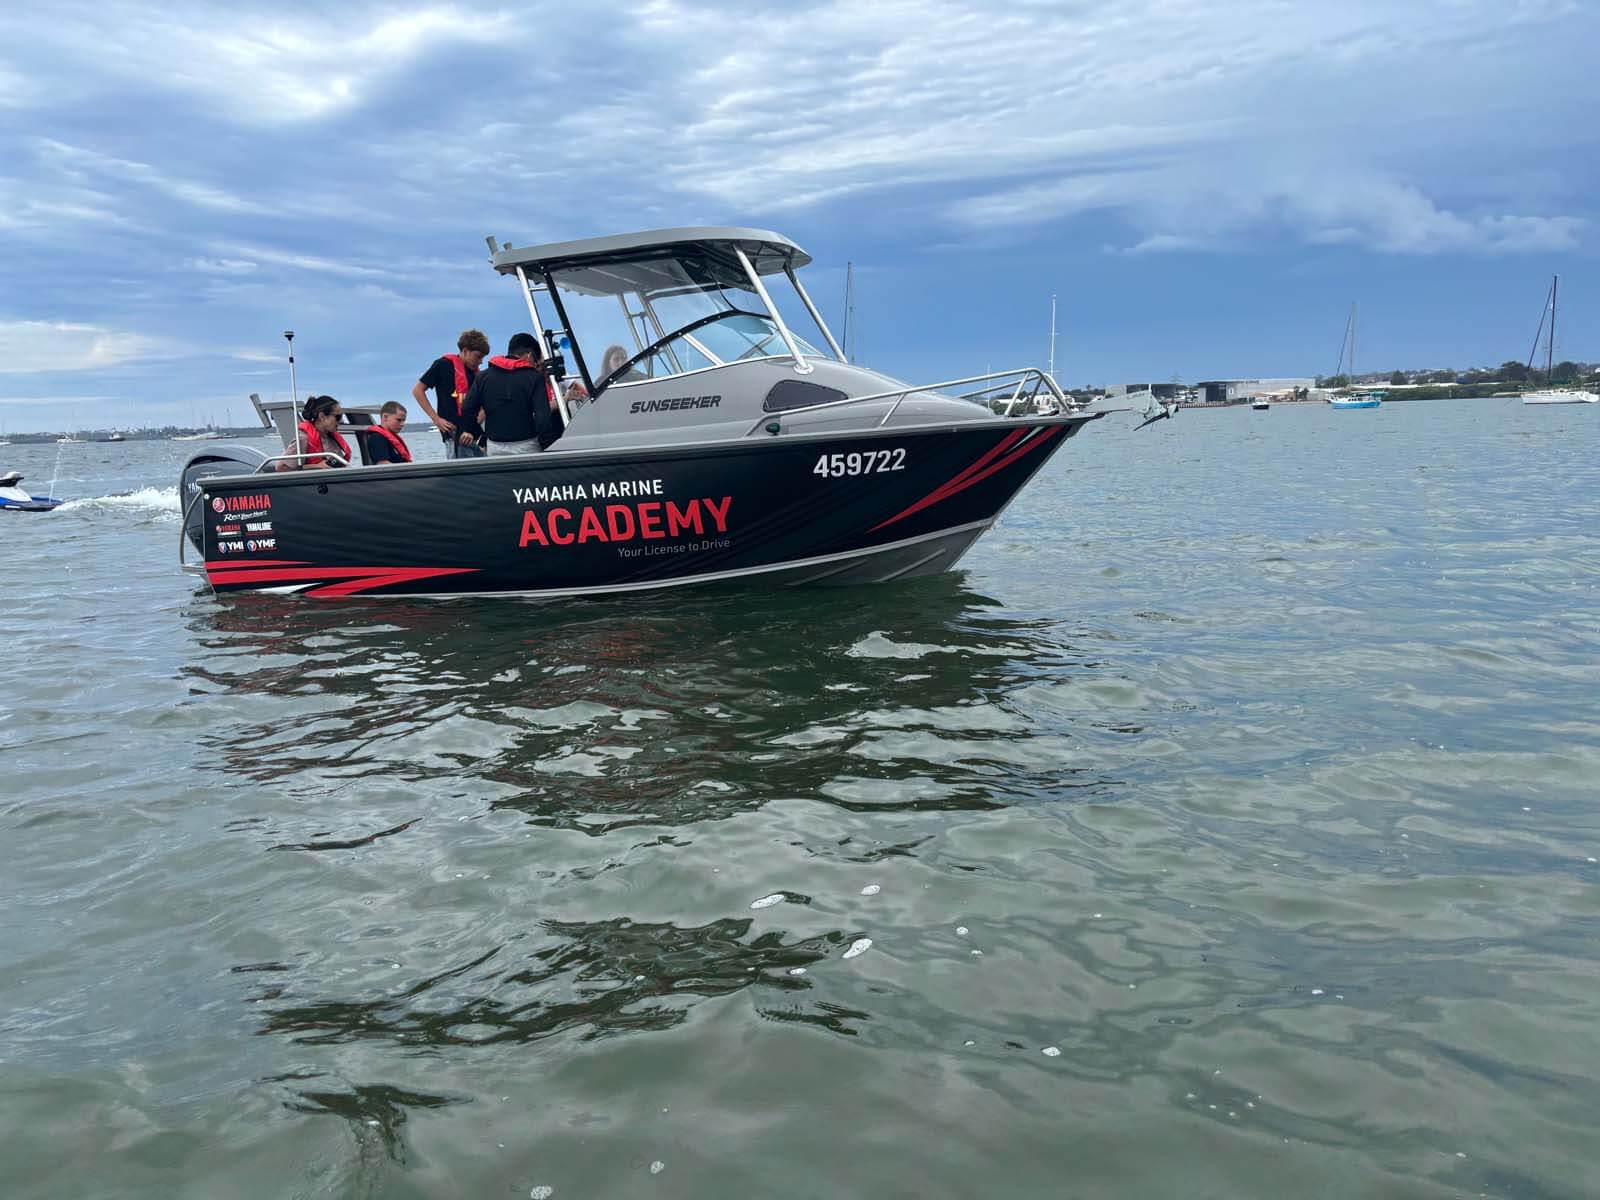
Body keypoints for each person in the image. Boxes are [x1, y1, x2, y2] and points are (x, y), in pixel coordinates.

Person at [462, 332, 564, 456]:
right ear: (529, 355)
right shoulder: (534, 377)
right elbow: (543, 418)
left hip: (494, 446)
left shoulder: (483, 377)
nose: (535, 365)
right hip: (527, 445)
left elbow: (467, 410)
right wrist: (546, 446)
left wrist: (481, 436)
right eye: (536, 361)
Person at [413, 329, 489, 458]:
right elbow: (418, 390)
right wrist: (436, 419)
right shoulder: (442, 365)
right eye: (478, 356)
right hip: (453, 433)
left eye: (483, 358)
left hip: (473, 434)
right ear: (465, 351)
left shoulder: (477, 375)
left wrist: (470, 429)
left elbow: (484, 407)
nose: (481, 361)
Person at [278, 395, 350, 470]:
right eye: (338, 417)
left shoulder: (332, 438)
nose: (341, 421)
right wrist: (317, 466)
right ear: (322, 416)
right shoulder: (303, 439)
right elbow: (281, 467)